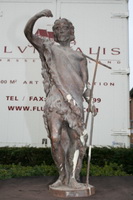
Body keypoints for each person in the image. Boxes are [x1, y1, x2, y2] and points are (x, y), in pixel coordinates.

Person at [24, 9, 93, 189]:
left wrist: (90, 101)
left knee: (76, 140)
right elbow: (28, 34)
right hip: (55, 100)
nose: (61, 32)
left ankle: (73, 178)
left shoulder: (79, 57)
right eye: (58, 29)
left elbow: (85, 84)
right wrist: (37, 16)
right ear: (54, 34)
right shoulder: (49, 48)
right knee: (55, 139)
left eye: (65, 29)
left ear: (71, 33)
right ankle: (62, 175)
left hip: (75, 102)